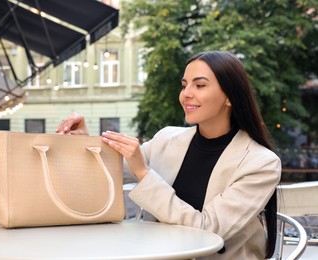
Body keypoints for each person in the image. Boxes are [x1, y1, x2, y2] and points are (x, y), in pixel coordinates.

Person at [56, 51, 281, 259]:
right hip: (157, 254)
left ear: (229, 97)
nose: (186, 94)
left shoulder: (261, 163)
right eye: (184, 86)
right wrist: (84, 140)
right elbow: (109, 168)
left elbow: (208, 229)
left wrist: (143, 173)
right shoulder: (167, 139)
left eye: (200, 85)